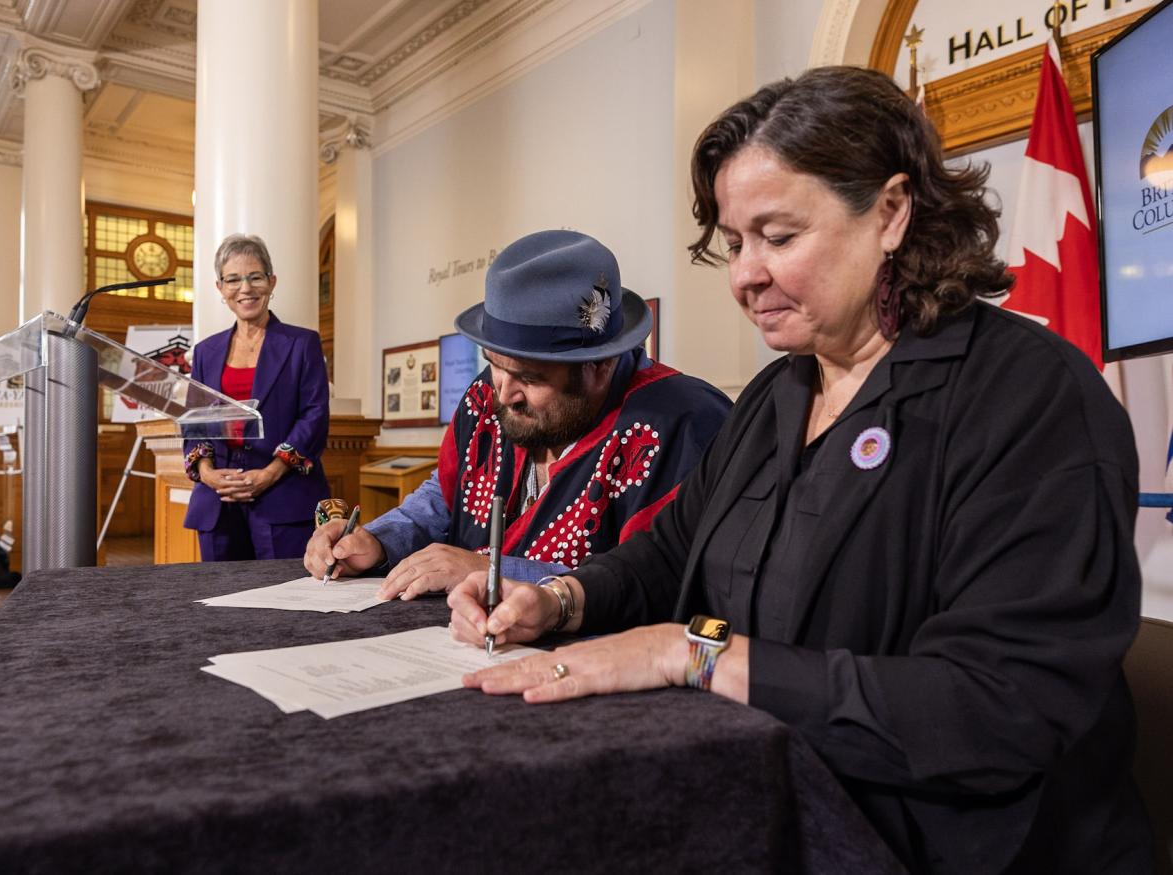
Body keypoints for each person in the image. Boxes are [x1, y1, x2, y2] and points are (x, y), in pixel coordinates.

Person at [450, 68, 1152, 874]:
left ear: (890, 213)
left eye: (778, 237)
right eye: (734, 241)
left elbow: (995, 707)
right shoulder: (775, 396)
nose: (744, 274)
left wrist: (696, 651)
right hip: (771, 804)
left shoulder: (1032, 396)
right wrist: (560, 599)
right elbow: (672, 551)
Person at [303, 229, 731, 599]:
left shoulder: (683, 424)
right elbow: (443, 499)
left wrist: (489, 570)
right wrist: (377, 540)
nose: (504, 393)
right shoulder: (488, 395)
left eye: (528, 375)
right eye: (494, 363)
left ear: (599, 366)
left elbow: (664, 581)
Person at [183, 234, 330, 561]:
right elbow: (195, 422)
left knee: (283, 599)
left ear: (271, 281)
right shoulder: (205, 352)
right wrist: (207, 473)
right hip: (218, 501)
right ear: (220, 288)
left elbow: (314, 416)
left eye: (255, 277)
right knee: (218, 597)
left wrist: (269, 474)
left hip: (283, 494)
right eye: (233, 280)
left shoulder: (302, 343)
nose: (245, 288)